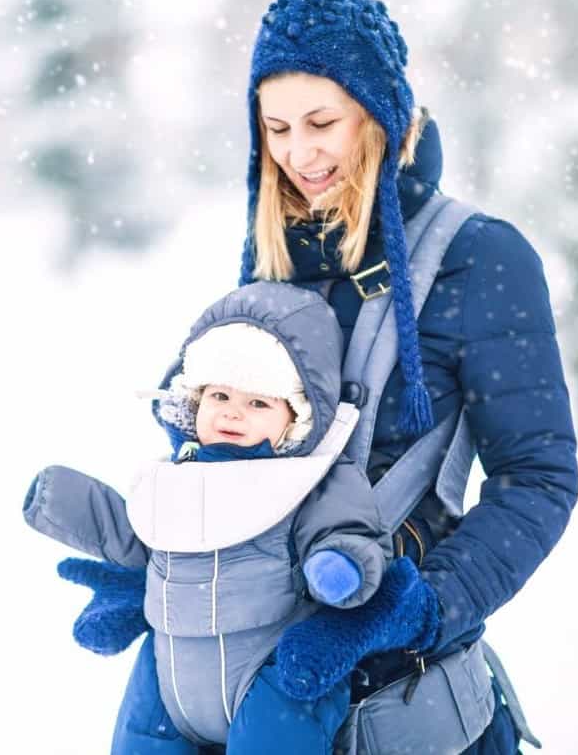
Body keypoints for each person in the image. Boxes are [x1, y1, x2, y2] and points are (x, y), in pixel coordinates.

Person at [38, 0, 578, 754]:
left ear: (382, 113)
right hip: (233, 672)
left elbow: (539, 477)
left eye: (323, 121)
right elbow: (219, 440)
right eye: (277, 127)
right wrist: (156, 559)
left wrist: (424, 605)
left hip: (398, 700)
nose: (300, 153)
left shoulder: (478, 258)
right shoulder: (269, 261)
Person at [23, 283, 430, 752]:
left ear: (296, 417)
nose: (233, 413)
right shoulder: (175, 475)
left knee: (274, 736)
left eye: (258, 403)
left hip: (267, 668)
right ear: (195, 401)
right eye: (219, 396)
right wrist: (70, 504)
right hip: (169, 669)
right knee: (141, 740)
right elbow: (140, 540)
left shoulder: (309, 478)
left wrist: (340, 564)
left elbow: (347, 529)